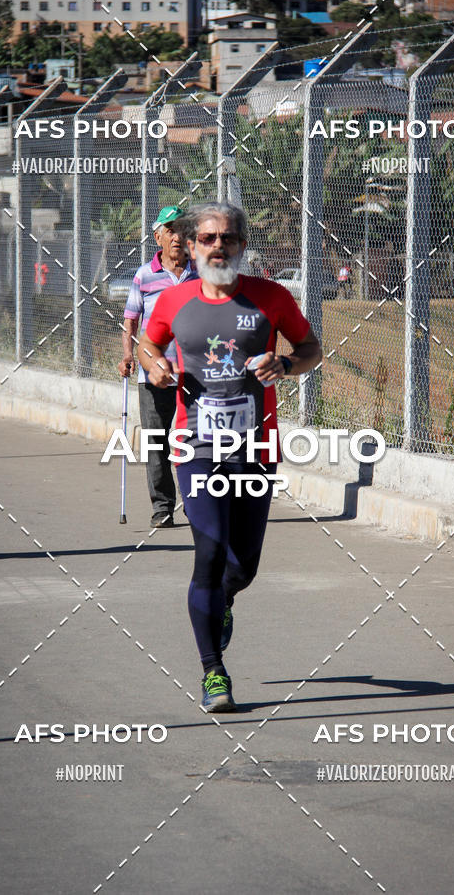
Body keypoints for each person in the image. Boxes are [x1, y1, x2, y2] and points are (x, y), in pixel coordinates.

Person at [138, 201, 322, 711]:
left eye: (229, 238)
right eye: (209, 238)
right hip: (194, 447)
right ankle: (212, 672)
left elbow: (313, 349)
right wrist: (157, 369)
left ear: (242, 245)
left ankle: (225, 600)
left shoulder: (272, 298)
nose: (219, 246)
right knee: (210, 553)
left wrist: (285, 363)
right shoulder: (174, 302)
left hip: (256, 447)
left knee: (243, 566)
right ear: (192, 246)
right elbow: (149, 346)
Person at [118, 206, 197, 528]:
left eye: (182, 230)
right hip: (153, 375)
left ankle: (196, 505)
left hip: (194, 373)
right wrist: (128, 355)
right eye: (170, 230)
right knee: (157, 442)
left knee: (195, 443)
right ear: (158, 236)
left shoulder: (202, 273)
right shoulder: (144, 275)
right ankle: (163, 508)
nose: (177, 236)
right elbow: (130, 320)